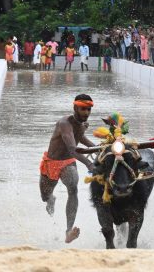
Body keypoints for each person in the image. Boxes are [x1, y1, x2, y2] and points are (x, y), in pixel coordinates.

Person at [39, 94, 95, 243]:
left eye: (89, 109)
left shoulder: (82, 124)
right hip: (51, 162)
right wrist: (89, 164)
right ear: (75, 107)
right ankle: (51, 199)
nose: (86, 113)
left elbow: (80, 138)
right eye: (83, 109)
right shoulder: (64, 123)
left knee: (73, 188)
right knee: (44, 196)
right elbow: (72, 148)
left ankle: (68, 231)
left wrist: (98, 148)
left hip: (67, 163)